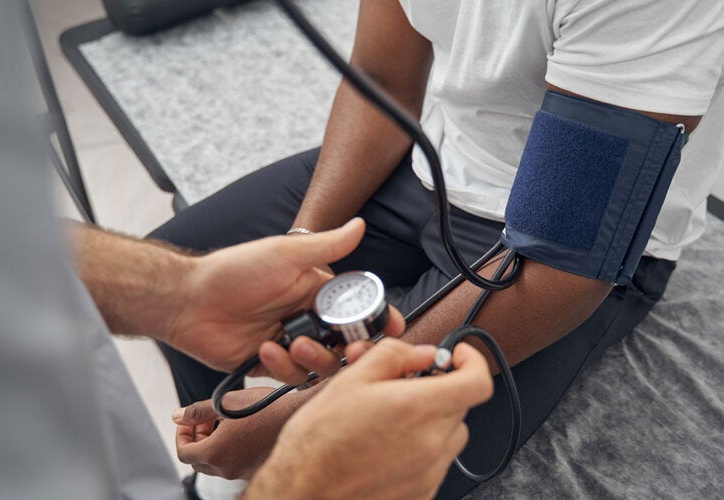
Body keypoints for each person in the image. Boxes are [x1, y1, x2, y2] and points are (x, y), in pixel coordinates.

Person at [148, 0, 724, 497]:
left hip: (573, 247)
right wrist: (300, 249)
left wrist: (301, 415)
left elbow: (562, 264)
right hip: (434, 163)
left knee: (366, 462)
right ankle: (212, 474)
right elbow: (382, 76)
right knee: (176, 278)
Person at [0, 2, 495, 499]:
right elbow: (382, 74)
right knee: (183, 249)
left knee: (427, 449)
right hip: (427, 160)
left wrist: (174, 291)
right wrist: (296, 480)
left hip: (510, 223)